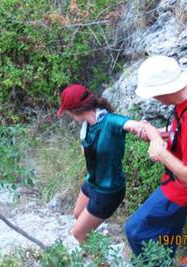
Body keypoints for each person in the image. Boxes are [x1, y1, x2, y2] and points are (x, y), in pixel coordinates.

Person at [124, 55, 187, 256]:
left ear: (162, 91)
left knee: (136, 230)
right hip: (181, 180)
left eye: (153, 93)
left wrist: (162, 153)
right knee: (164, 232)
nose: (153, 98)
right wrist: (164, 133)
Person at [57, 84, 144, 243]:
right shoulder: (87, 126)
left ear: (75, 110)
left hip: (108, 191)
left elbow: (135, 126)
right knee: (78, 214)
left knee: (78, 233)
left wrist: (156, 136)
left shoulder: (110, 122)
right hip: (92, 183)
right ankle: (94, 245)